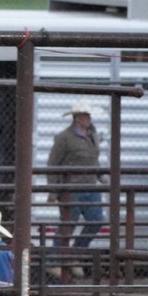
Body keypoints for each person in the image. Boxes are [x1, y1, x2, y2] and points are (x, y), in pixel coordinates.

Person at [48, 101, 106, 251]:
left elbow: (93, 159)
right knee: (68, 225)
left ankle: (76, 251)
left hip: (90, 186)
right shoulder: (64, 138)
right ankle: (55, 258)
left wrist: (101, 177)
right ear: (77, 118)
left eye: (88, 115)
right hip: (71, 189)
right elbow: (53, 164)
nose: (88, 119)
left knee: (96, 221)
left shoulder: (92, 135)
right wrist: (53, 191)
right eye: (85, 115)